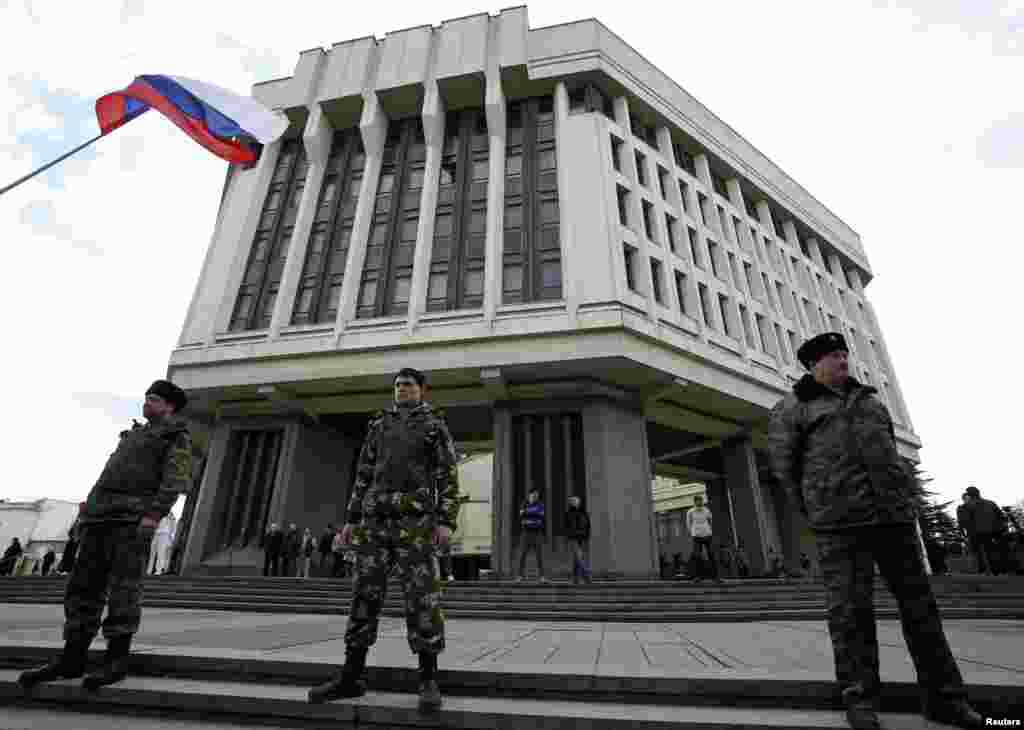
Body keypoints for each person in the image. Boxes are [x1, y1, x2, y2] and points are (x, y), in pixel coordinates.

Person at [769, 332, 982, 729]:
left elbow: (890, 453)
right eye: (834, 356)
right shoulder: (792, 408)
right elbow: (785, 469)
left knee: (922, 614)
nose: (843, 361)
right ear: (814, 365)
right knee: (851, 614)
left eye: (844, 355)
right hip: (839, 524)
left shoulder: (871, 401)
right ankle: (860, 700)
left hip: (894, 521)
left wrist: (903, 496)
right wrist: (818, 509)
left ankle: (946, 700)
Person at [19, 380, 191, 692]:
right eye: (146, 398)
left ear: (170, 406)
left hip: (131, 521)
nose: (146, 404)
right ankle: (72, 657)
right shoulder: (132, 436)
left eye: (153, 399)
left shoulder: (174, 437)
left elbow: (175, 479)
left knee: (124, 589)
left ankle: (116, 659)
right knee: (82, 587)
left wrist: (153, 516)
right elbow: (105, 478)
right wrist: (86, 513)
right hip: (100, 519)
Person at [307, 367, 461, 713]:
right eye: (397, 386)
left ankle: (428, 679)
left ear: (422, 390)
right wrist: (351, 518)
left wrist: (447, 520)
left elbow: (447, 473)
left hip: (416, 522)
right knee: (364, 595)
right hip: (375, 522)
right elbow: (363, 472)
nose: (401, 390)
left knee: (422, 599)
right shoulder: (378, 425)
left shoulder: (435, 425)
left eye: (408, 385)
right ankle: (351, 676)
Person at [958, 486, 1008, 576]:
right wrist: (1001, 529)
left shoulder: (967, 506)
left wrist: (964, 532)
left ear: (970, 495)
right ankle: (997, 571)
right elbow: (1001, 517)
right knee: (992, 551)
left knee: (978, 553)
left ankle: (983, 571)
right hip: (992, 532)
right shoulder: (991, 503)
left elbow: (964, 521)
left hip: (976, 533)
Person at [686, 494, 721, 583]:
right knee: (697, 556)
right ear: (695, 502)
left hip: (707, 535)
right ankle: (698, 577)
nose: (700, 502)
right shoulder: (690, 512)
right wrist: (692, 532)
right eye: (698, 501)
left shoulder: (706, 511)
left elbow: (710, 521)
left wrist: (709, 530)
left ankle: (715, 577)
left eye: (701, 500)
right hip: (696, 536)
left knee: (711, 555)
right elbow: (688, 524)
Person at [516, 489, 547, 582]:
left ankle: (542, 577)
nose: (535, 497)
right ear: (529, 495)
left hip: (537, 533)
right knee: (522, 555)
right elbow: (522, 517)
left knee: (539, 555)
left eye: (537, 495)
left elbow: (541, 516)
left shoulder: (540, 505)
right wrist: (533, 516)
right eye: (534, 495)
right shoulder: (524, 504)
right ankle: (520, 576)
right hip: (526, 533)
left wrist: (528, 515)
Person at [565, 495, 592, 584]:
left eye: (576, 501)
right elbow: (566, 526)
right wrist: (569, 535)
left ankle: (575, 577)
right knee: (579, 557)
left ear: (579, 502)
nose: (574, 502)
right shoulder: (569, 513)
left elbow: (588, 525)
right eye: (572, 501)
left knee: (577, 558)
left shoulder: (584, 512)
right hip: (573, 538)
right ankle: (586, 576)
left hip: (582, 538)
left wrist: (587, 535)